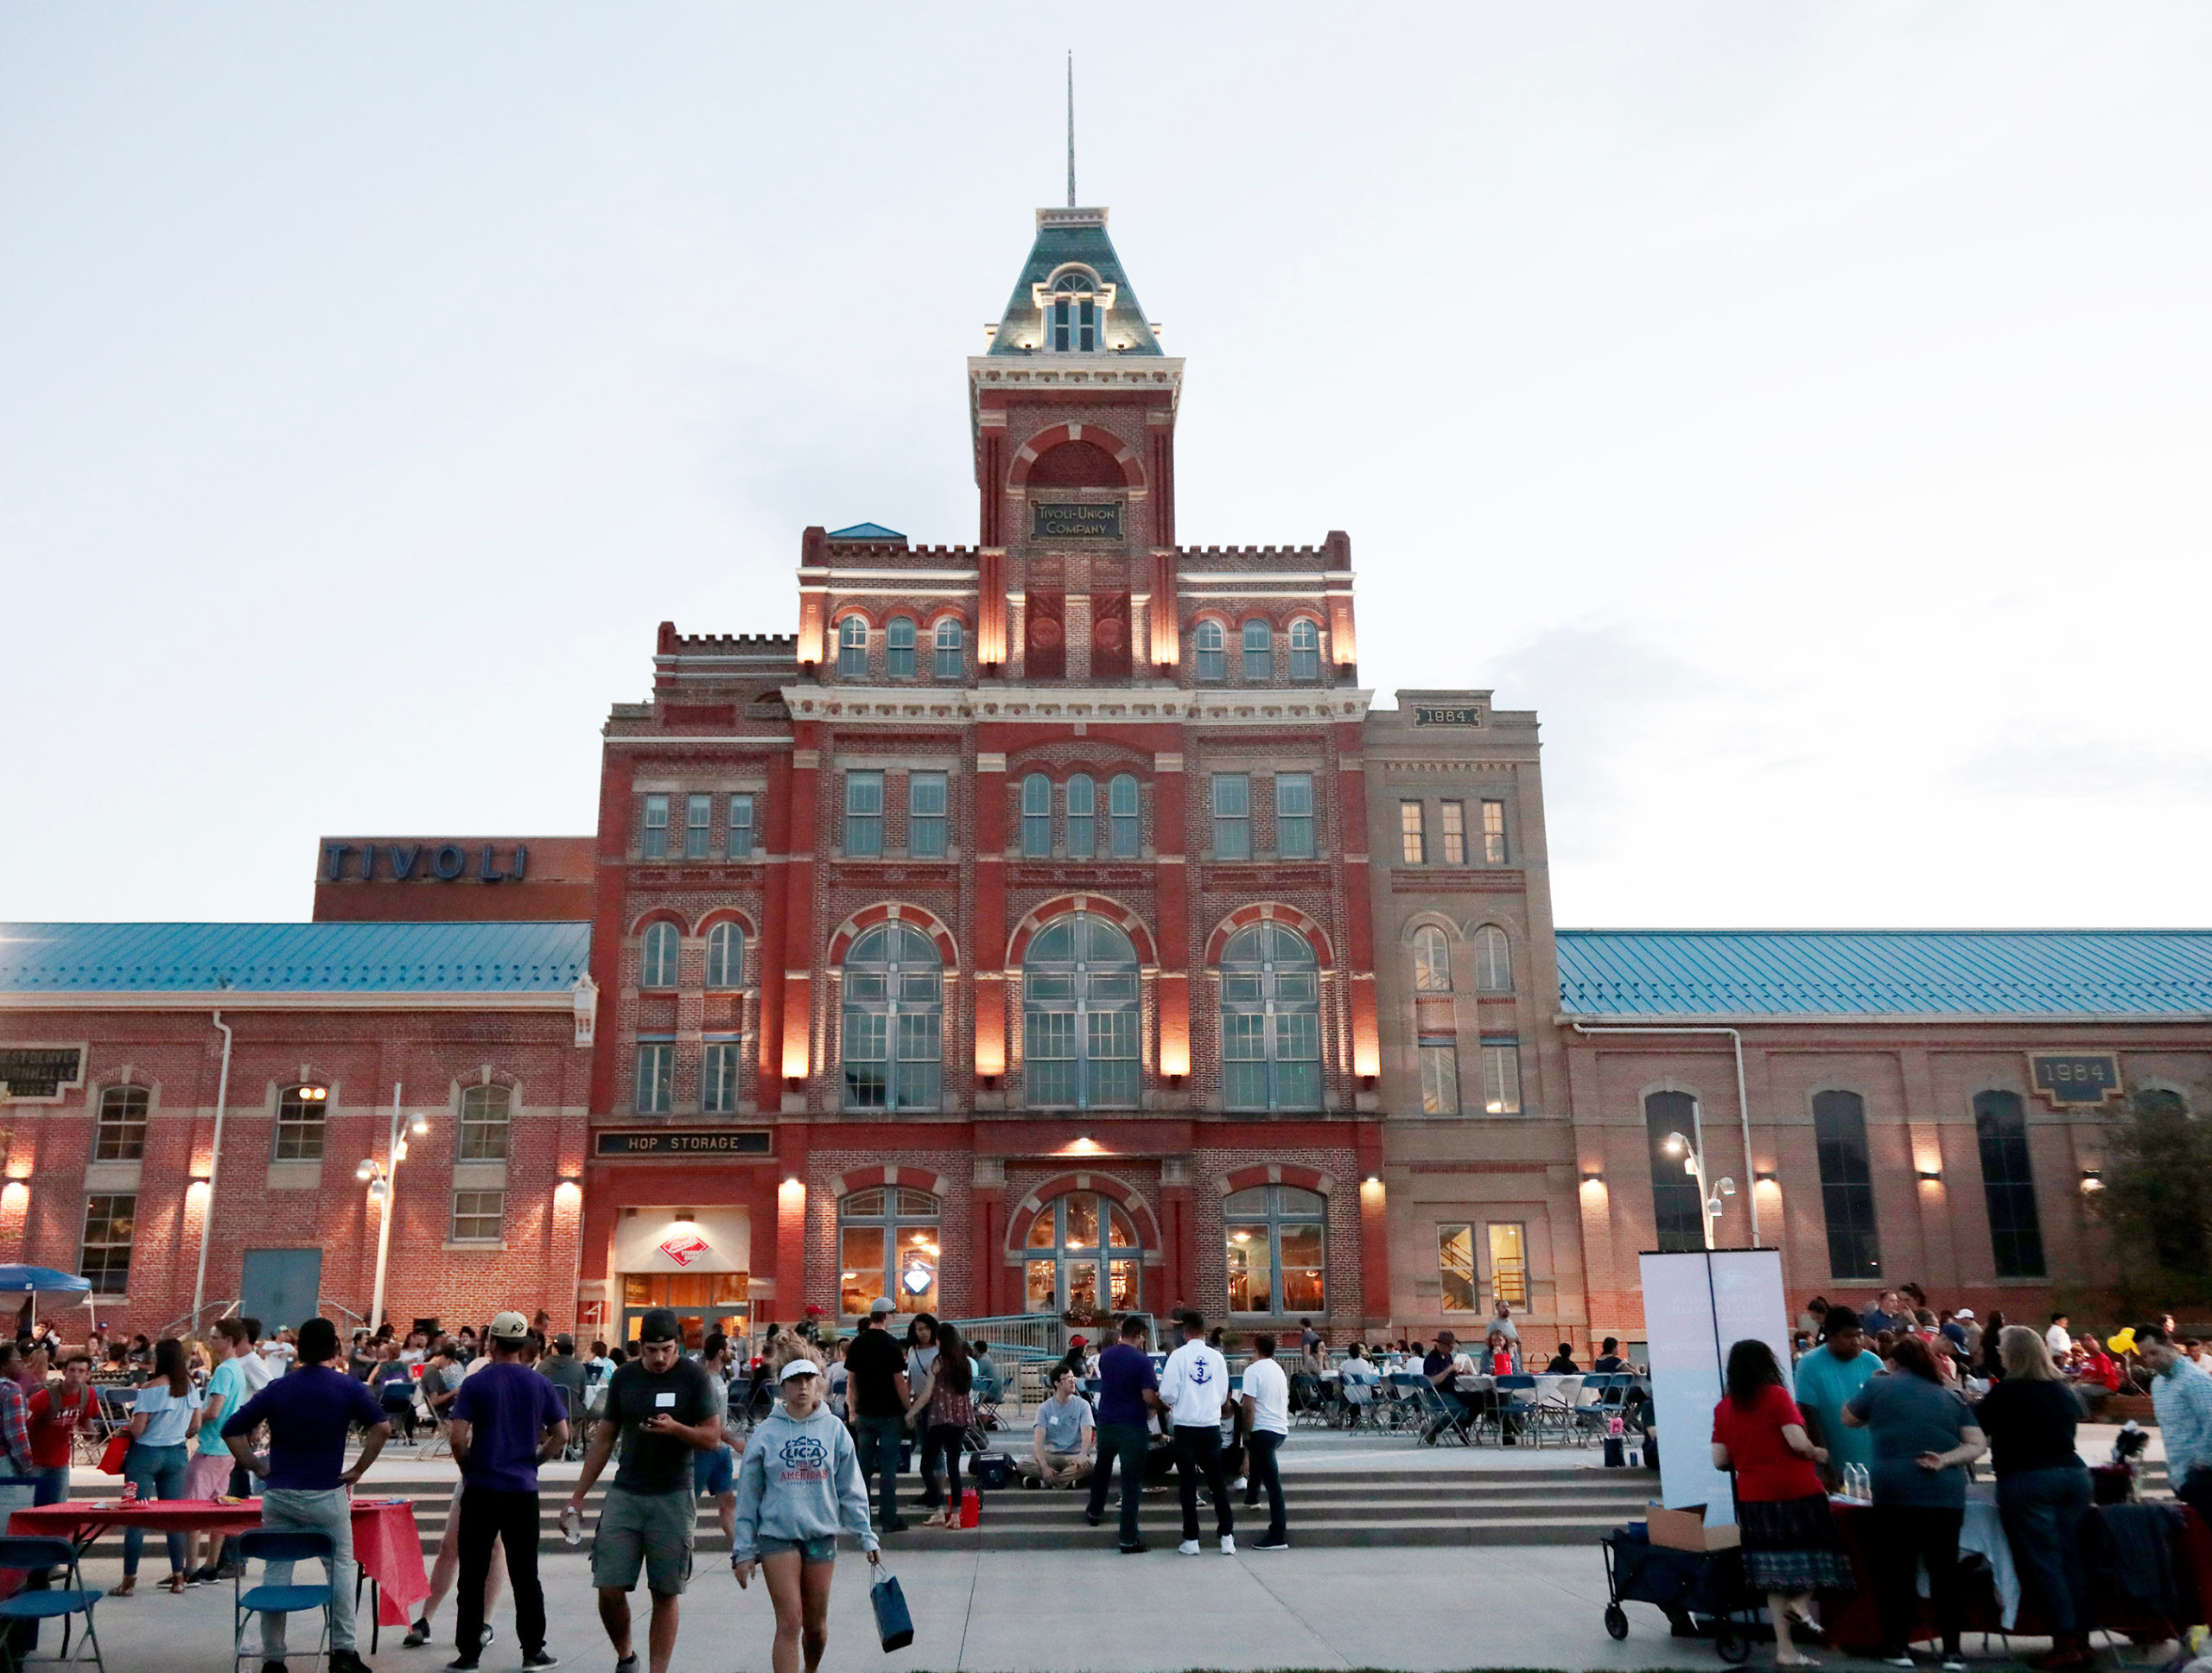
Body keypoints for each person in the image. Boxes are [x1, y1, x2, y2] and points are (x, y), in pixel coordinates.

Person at [220, 1316, 389, 1673]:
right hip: (326, 1491)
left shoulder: (280, 1387)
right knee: (341, 1568)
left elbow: (232, 1430)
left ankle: (273, 1658)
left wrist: (254, 1465)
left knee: (277, 1570)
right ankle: (342, 1651)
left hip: (280, 1491)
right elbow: (382, 1427)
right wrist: (358, 1469)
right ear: (334, 1349)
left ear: (299, 1350)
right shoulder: (347, 1387)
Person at [563, 1307, 720, 1673]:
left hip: (673, 1494)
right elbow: (604, 1439)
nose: (661, 1358)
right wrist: (578, 1495)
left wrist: (678, 1429)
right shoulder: (624, 1377)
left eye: (667, 1349)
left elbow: (712, 1437)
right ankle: (626, 1656)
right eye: (652, 1350)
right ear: (640, 1348)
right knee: (608, 1586)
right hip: (627, 1492)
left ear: (677, 1345)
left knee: (665, 1591)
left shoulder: (694, 1378)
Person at [729, 1337, 881, 1673]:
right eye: (794, 1380)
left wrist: (865, 1533)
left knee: (816, 1627)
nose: (802, 1387)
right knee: (790, 1622)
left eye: (808, 1379)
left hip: (821, 1533)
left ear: (819, 1383)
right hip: (776, 1536)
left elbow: (851, 1488)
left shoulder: (834, 1430)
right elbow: (749, 1497)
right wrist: (743, 1549)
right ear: (782, 1385)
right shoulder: (766, 1434)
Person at [1843, 1334, 1986, 1670]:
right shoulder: (1950, 1397)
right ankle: (1953, 1651)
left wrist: (1873, 1390)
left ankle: (1899, 1647)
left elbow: (1848, 1418)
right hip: (1945, 1494)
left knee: (1898, 1572)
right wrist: (1946, 1460)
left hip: (1895, 1492)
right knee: (1944, 1572)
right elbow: (1978, 1445)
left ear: (1894, 1362)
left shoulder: (1880, 1387)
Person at [1710, 1339, 1851, 1669]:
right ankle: (1801, 1605)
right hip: (1796, 1489)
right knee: (1823, 1553)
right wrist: (1819, 1453)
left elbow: (1719, 1460)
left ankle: (1785, 1649)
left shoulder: (1724, 1407)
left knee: (1773, 1575)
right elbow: (1797, 1442)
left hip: (1754, 1498)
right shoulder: (1777, 1396)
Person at [447, 1310, 569, 1671]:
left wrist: (468, 1467)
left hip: (482, 1487)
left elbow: (456, 1437)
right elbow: (561, 1434)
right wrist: (536, 1461)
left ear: (492, 1343)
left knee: (472, 1573)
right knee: (525, 1573)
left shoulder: (477, 1383)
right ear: (523, 1346)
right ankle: (533, 1650)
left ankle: (468, 1653)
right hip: (521, 1490)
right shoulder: (538, 1384)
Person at [1974, 1326, 2092, 1670]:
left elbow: (1975, 1428)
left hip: (2027, 1478)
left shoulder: (2006, 1392)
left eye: (2002, 1347)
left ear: (2014, 1353)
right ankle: (2081, 1639)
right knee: (2071, 1559)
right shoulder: (2062, 1390)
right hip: (2073, 1475)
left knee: (2044, 1561)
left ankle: (2065, 1641)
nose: (1999, 1351)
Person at [110, 1337, 204, 1596]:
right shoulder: (190, 1387)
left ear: (159, 1358)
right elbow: (195, 1426)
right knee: (173, 1519)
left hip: (145, 1455)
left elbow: (138, 1429)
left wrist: (129, 1428)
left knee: (136, 1516)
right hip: (176, 1455)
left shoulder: (151, 1388)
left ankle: (129, 1581)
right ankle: (178, 1579)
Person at [181, 1322, 256, 1579]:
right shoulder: (237, 1369)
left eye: (215, 1338)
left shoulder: (224, 1371)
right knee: (219, 1507)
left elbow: (214, 1411)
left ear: (229, 1341)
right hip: (227, 1448)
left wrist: (189, 1422)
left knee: (193, 1508)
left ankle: (190, 1567)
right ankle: (211, 1564)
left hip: (212, 1447)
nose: (211, 1342)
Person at [1160, 1310, 1234, 1556]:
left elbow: (1168, 1392)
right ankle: (1226, 1537)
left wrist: (1178, 1401)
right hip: (1210, 1424)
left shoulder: (1178, 1357)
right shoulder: (1217, 1358)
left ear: (1185, 1330)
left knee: (1188, 1484)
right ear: (1203, 1330)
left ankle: (1191, 1538)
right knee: (1217, 1483)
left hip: (1186, 1425)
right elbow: (1224, 1394)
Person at [1085, 1315, 1162, 1553]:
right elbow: (1148, 1396)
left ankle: (1094, 1511)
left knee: (1102, 1468)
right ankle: (1128, 1538)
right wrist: (1162, 1407)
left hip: (1107, 1421)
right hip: (1132, 1425)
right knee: (1131, 1482)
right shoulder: (1142, 1361)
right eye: (1142, 1337)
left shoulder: (1106, 1357)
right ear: (1139, 1335)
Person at [842, 1298, 912, 1533]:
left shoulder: (858, 1343)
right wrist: (909, 1409)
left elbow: (851, 1383)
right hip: (890, 1414)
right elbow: (898, 1381)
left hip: (865, 1414)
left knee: (863, 1468)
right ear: (887, 1315)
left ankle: (861, 1518)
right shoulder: (892, 1344)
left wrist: (852, 1410)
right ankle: (889, 1519)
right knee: (888, 1469)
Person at [1793, 1306, 1880, 1488]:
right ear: (1831, 1336)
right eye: (1848, 1336)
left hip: (1876, 1466)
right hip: (1837, 1468)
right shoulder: (1809, 1364)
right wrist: (1826, 1468)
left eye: (1859, 1335)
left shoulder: (1873, 1362)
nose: (1856, 1341)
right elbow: (1810, 1417)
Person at [2139, 1326, 2212, 1524]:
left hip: (2203, 1477)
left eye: (2154, 1353)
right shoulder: (2158, 1385)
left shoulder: (2196, 1380)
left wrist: (2201, 1465)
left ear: (2170, 1345)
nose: (2150, 1360)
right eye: (2145, 1357)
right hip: (2179, 1475)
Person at [906, 1320, 975, 1528]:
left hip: (941, 1418)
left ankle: (937, 1507)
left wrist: (911, 1412)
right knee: (953, 1467)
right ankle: (955, 1516)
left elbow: (927, 1395)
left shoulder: (938, 1361)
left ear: (941, 1340)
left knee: (926, 1465)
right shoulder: (964, 1362)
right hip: (961, 1419)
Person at [1238, 1333, 1290, 1551]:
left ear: (1256, 1349)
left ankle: (1278, 1533)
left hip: (1263, 1427)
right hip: (1279, 1428)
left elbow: (1248, 1406)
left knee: (1273, 1483)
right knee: (1260, 1460)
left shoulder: (1253, 1371)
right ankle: (1251, 1496)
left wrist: (1245, 1433)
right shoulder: (1278, 1370)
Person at [26, 1351, 95, 1507]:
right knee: (33, 1505)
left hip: (60, 1459)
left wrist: (90, 1433)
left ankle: (55, 1533)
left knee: (59, 1505)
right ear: (64, 1372)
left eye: (81, 1371)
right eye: (71, 1370)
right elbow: (24, 1423)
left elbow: (86, 1418)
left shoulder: (88, 1394)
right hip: (36, 1459)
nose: (75, 1375)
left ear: (87, 1375)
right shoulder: (44, 1396)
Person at [693, 1333, 741, 1545]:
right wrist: (735, 1442)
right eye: (729, 1347)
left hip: (720, 1452)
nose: (732, 1351)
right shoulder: (706, 1382)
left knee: (727, 1501)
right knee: (689, 1502)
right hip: (704, 1451)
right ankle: (680, 1547)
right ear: (721, 1352)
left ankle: (739, 1549)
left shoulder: (719, 1378)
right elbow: (710, 1423)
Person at [1024, 1366, 1095, 1487]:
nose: (1073, 1381)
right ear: (1057, 1383)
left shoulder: (1083, 1405)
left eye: (1073, 1377)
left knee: (1089, 1466)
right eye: (1068, 1378)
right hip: (1051, 1455)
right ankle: (1066, 1482)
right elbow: (1038, 1441)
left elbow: (1087, 1435)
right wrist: (1044, 1466)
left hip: (1074, 1455)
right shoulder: (1045, 1408)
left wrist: (1083, 1454)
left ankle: (1046, 1483)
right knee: (1023, 1464)